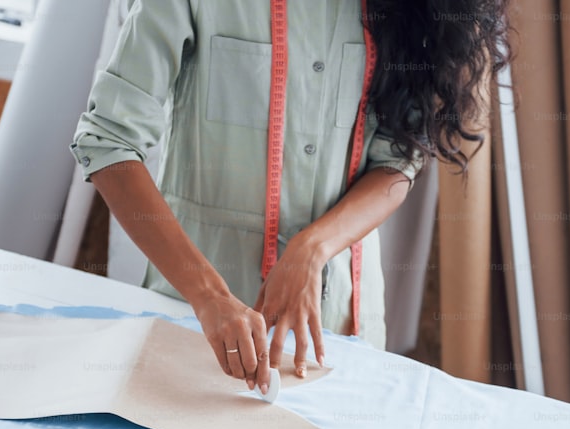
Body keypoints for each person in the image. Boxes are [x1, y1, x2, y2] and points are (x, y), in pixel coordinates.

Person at [71, 0, 512, 395]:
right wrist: (209, 296)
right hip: (195, 324)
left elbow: (398, 162)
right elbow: (107, 142)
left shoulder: (402, 8)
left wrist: (312, 249)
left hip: (342, 332)